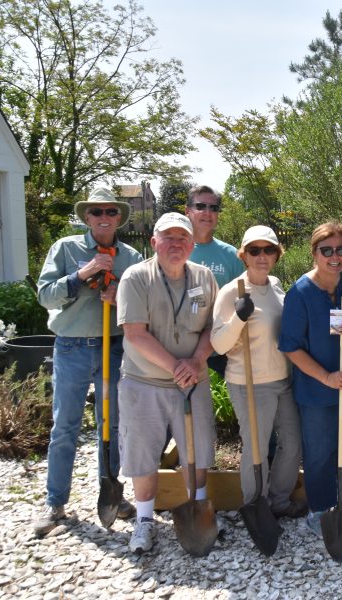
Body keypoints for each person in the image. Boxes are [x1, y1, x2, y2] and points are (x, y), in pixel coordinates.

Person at [33, 187, 142, 537]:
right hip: (72, 347)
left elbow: (143, 302)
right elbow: (45, 296)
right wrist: (82, 275)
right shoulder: (66, 249)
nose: (104, 218)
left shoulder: (131, 256)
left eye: (111, 212)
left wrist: (121, 291)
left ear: (119, 218)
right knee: (65, 426)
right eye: (97, 212)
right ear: (87, 217)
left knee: (110, 425)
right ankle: (56, 501)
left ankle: (111, 495)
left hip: (114, 347)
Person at [116, 212, 218, 554]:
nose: (176, 244)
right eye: (169, 238)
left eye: (183, 238)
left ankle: (199, 511)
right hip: (145, 382)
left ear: (192, 243)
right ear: (154, 241)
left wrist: (197, 361)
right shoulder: (136, 277)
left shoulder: (204, 277)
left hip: (193, 380)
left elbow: (211, 329)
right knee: (143, 453)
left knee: (198, 450)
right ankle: (144, 520)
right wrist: (177, 366)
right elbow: (134, 334)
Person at [278, 222, 342, 537]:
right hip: (317, 391)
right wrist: (327, 377)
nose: (335, 257)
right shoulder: (301, 293)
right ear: (315, 252)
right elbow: (291, 348)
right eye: (327, 250)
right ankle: (320, 509)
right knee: (319, 452)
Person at [210, 225, 306, 520]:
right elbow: (219, 344)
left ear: (277, 254)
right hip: (249, 383)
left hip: (283, 379)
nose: (262, 256)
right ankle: (255, 506)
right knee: (256, 448)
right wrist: (239, 316)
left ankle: (277, 501)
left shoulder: (276, 286)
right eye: (254, 250)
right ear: (244, 255)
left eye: (268, 250)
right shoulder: (233, 291)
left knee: (292, 443)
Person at [184, 185, 243, 376]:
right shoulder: (173, 250)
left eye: (213, 208)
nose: (207, 213)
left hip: (221, 350)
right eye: (200, 206)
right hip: (181, 349)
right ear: (188, 211)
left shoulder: (232, 255)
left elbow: (241, 300)